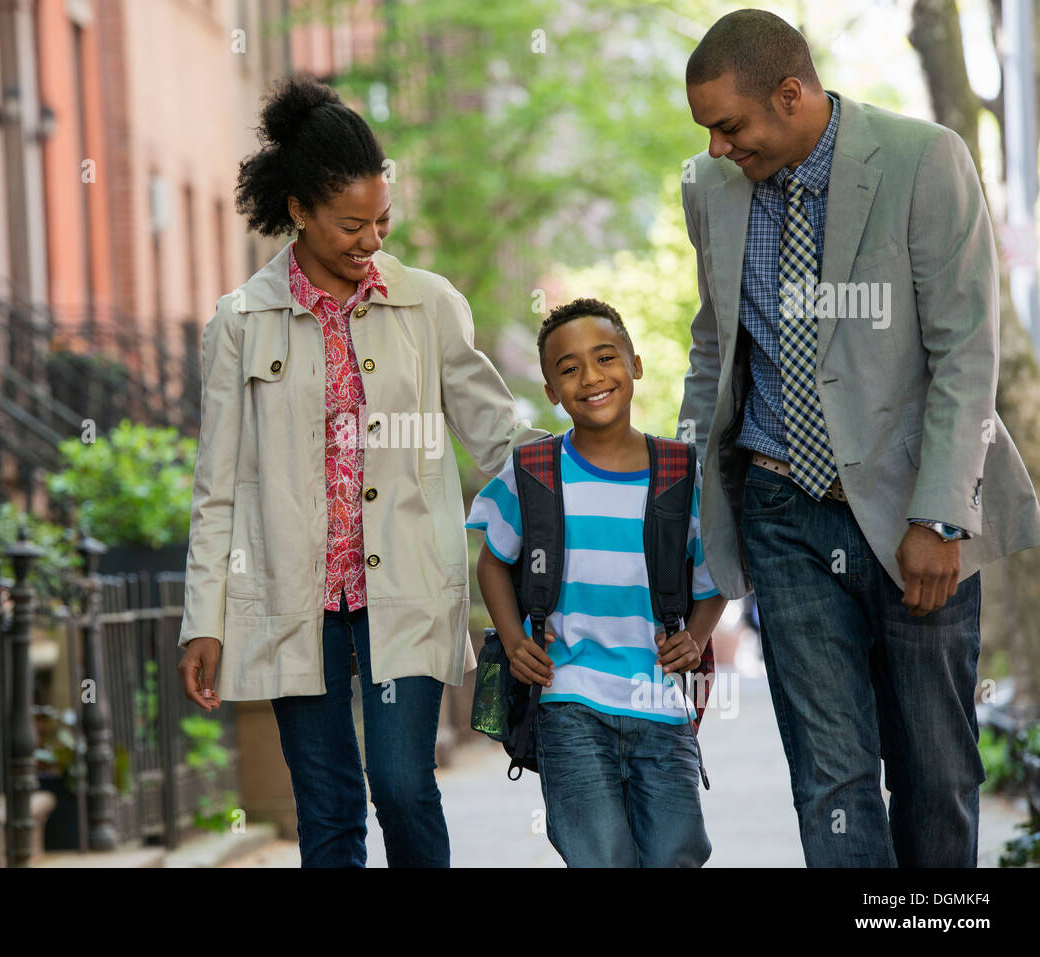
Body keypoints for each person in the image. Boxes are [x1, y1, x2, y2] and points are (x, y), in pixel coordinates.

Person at [677, 9, 1040, 867]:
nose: (720, 148)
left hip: (911, 510)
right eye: (708, 133)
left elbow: (964, 351)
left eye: (731, 125)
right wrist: (686, 503)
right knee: (830, 777)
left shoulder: (924, 160)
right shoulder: (708, 187)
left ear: (792, 94)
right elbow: (713, 347)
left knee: (935, 771)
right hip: (780, 510)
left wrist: (941, 517)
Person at [176, 75, 544, 868]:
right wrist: (202, 617)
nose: (372, 240)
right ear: (299, 210)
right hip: (292, 594)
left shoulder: (429, 305)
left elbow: (494, 430)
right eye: (352, 224)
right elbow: (218, 487)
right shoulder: (240, 322)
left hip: (404, 587)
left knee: (404, 783)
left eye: (382, 219)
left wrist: (592, 466)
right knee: (328, 807)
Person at [468, 298, 727, 867]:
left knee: (675, 853)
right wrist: (513, 641)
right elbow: (491, 560)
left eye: (606, 357)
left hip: (659, 700)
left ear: (634, 364)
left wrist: (700, 635)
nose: (591, 377)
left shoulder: (680, 474)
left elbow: (717, 576)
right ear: (552, 391)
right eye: (568, 368)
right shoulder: (533, 471)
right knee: (600, 856)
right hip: (569, 699)